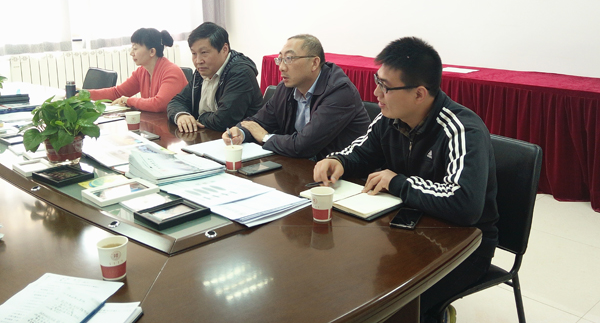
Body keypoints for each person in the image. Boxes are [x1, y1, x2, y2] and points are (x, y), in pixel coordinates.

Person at [313, 37, 499, 323]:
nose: (376, 93)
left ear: (419, 94)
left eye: (385, 87)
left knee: (393, 308)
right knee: (344, 282)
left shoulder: (462, 129)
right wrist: (338, 160)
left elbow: (465, 204)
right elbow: (361, 152)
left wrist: (399, 182)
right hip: (405, 230)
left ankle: (435, 313)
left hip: (463, 246)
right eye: (377, 81)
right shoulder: (389, 118)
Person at [223, 34, 370, 161]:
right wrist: (240, 132)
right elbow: (259, 122)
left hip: (343, 174)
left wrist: (265, 137)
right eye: (280, 59)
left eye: (289, 58)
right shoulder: (286, 88)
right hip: (301, 166)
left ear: (314, 63)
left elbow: (303, 145)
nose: (281, 67)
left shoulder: (339, 92)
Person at [167, 22, 263, 132]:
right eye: (194, 53)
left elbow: (223, 121)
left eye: (204, 52)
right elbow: (177, 101)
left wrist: (199, 118)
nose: (198, 61)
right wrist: (182, 115)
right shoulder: (202, 71)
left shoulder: (241, 73)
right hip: (210, 136)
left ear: (224, 49)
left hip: (239, 139)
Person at [87, 28, 188, 113]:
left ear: (152, 51)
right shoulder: (141, 72)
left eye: (135, 49)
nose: (131, 53)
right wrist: (84, 94)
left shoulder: (171, 72)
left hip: (175, 127)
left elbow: (159, 104)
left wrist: (129, 101)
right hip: (154, 123)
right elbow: (117, 93)